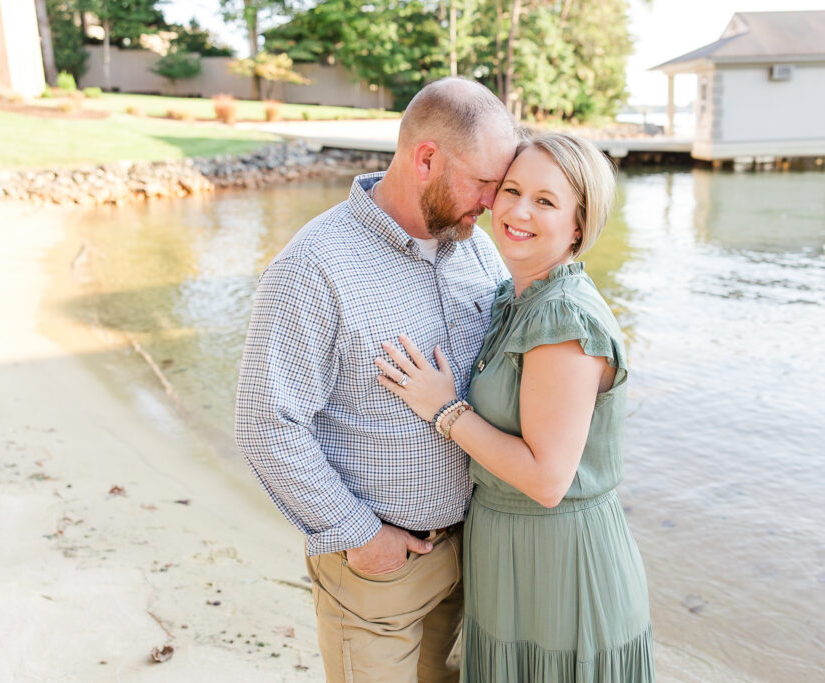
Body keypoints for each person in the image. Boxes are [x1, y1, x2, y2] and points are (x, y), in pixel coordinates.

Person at [234, 78, 519, 682]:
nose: (496, 203)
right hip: (378, 570)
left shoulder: (477, 249)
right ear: (426, 159)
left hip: (471, 555)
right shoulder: (314, 267)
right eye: (486, 183)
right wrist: (359, 534)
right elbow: (267, 422)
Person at [376, 132, 655, 681]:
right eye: (511, 189)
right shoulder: (516, 296)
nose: (518, 210)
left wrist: (445, 410)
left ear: (579, 224)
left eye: (546, 201)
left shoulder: (562, 323)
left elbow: (548, 479)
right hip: (508, 555)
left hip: (560, 568)